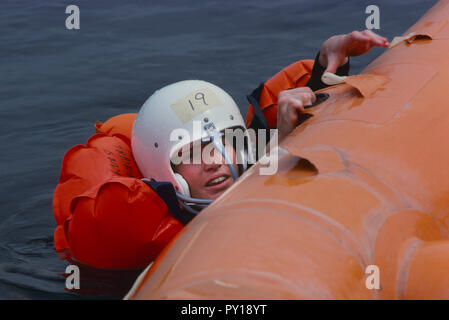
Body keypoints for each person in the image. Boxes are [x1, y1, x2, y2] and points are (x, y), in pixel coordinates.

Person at [131, 30, 389, 224]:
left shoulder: (260, 156)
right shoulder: (156, 246)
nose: (213, 161)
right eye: (190, 153)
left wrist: (329, 63)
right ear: (162, 172)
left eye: (221, 142)